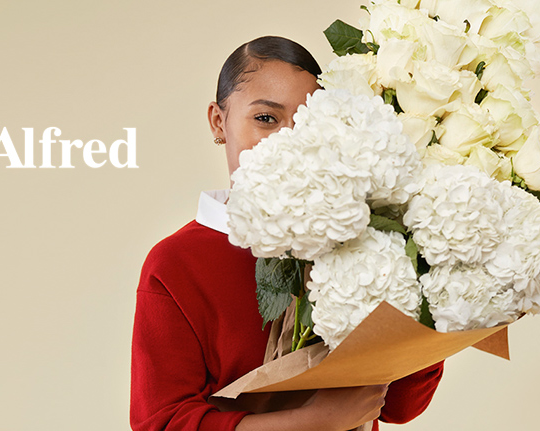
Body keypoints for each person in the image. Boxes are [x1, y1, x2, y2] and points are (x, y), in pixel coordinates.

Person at [130, 36, 444, 431]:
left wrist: (428, 280)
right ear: (218, 121)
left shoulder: (356, 241)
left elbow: (400, 406)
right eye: (266, 119)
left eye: (307, 122)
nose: (289, 139)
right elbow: (161, 423)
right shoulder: (176, 263)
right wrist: (311, 422)